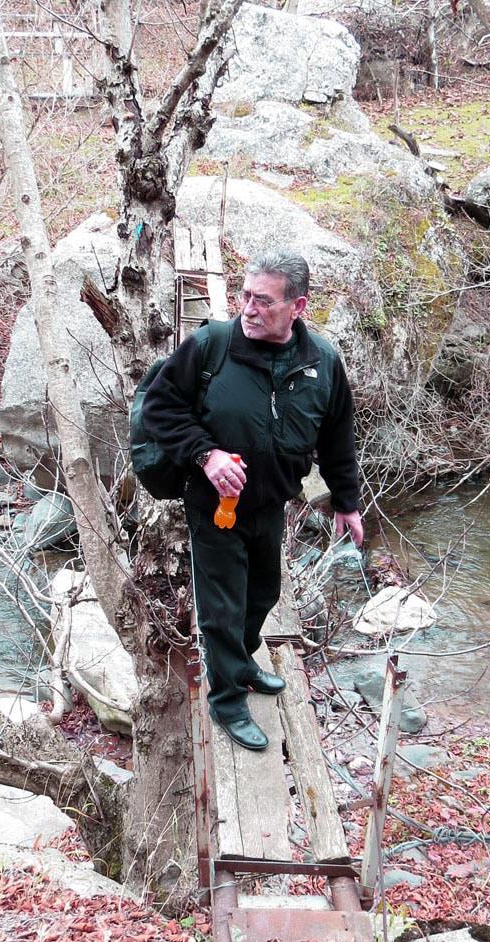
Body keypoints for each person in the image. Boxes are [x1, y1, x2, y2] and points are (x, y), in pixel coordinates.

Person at [142, 249, 363, 751]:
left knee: (262, 594)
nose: (248, 307)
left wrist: (346, 503)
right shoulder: (210, 347)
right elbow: (159, 407)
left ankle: (240, 663)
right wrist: (205, 455)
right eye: (244, 295)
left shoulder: (322, 363)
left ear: (297, 307)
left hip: (272, 503)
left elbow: (337, 438)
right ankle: (226, 699)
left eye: (263, 300)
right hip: (214, 503)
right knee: (221, 606)